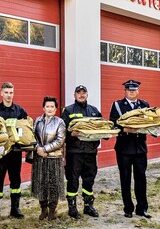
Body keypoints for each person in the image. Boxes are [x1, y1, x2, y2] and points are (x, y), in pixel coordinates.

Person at [109, 79, 152, 219]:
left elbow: (151, 122)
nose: (132, 92)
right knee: (125, 179)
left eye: (134, 90)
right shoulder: (118, 105)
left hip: (140, 148)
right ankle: (128, 208)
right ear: (125, 91)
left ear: (138, 91)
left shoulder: (145, 105)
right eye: (129, 90)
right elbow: (113, 123)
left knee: (141, 179)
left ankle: (142, 208)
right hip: (124, 148)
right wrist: (125, 129)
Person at [61, 85, 102, 219]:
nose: (81, 95)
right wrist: (71, 133)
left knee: (89, 179)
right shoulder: (68, 111)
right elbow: (61, 132)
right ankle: (72, 208)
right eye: (79, 92)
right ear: (74, 95)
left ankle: (88, 206)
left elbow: (102, 128)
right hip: (75, 152)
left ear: (87, 95)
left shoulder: (94, 111)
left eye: (84, 92)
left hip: (90, 152)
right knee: (73, 180)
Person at [0, 82, 28, 221]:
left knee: (16, 181)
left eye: (11, 92)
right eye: (6, 92)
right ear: (1, 93)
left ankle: (15, 209)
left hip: (15, 152)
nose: (8, 95)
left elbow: (25, 130)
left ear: (13, 93)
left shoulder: (20, 111)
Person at [31, 96, 66, 221]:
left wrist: (45, 149)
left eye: (52, 106)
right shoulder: (37, 121)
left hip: (54, 158)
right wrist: (38, 149)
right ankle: (43, 209)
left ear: (56, 109)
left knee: (53, 185)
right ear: (43, 108)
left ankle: (52, 210)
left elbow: (60, 140)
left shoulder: (59, 122)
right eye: (47, 106)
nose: (50, 109)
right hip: (40, 158)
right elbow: (32, 137)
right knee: (41, 184)